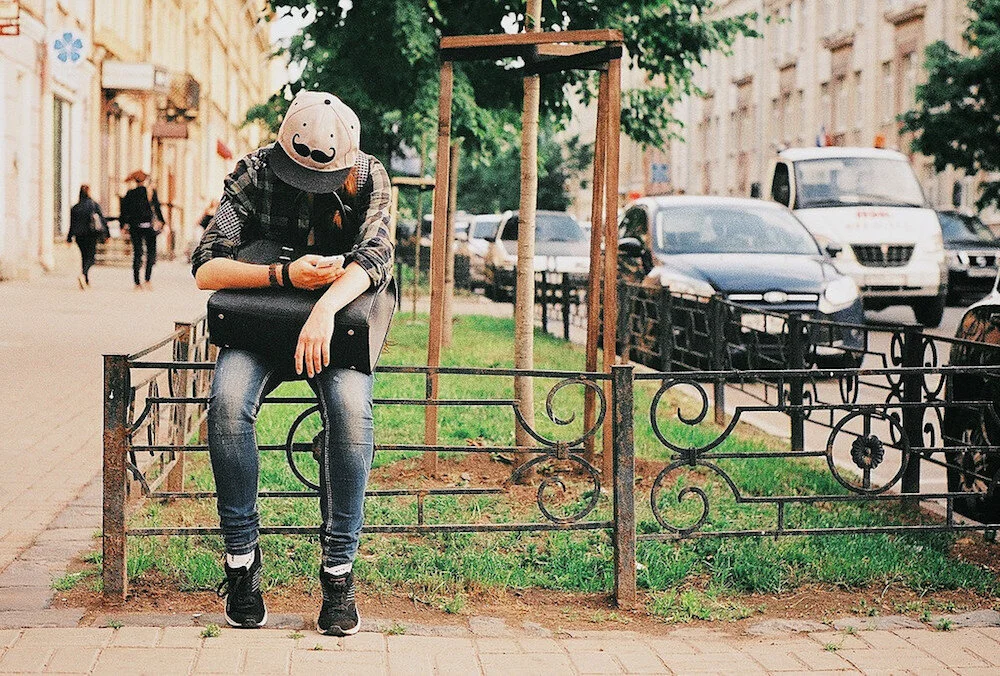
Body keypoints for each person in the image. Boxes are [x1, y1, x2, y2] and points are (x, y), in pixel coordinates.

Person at [191, 91, 393, 635]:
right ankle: (241, 563)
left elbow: (377, 256)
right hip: (259, 325)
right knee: (227, 403)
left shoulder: (369, 176)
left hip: (333, 331)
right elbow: (206, 268)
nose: (308, 187)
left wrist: (324, 308)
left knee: (351, 414)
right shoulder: (254, 171)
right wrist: (284, 275)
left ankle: (338, 573)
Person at [119, 169, 165, 290]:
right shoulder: (150, 192)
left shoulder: (130, 193)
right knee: (151, 253)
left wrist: (122, 225)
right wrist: (162, 222)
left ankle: (137, 283)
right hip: (149, 227)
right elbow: (157, 208)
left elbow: (124, 211)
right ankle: (147, 280)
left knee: (137, 254)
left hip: (135, 227)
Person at [67, 185, 107, 289]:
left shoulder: (75, 207)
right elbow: (102, 220)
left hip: (79, 236)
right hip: (91, 235)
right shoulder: (94, 205)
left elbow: (72, 224)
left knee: (84, 257)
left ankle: (86, 280)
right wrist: (107, 234)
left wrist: (69, 238)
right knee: (91, 258)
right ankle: (83, 274)